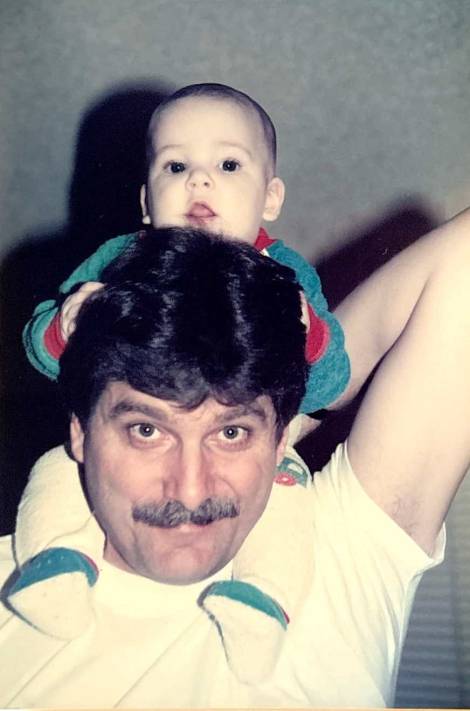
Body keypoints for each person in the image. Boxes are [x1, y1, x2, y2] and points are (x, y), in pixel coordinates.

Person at [2, 213, 470, 707]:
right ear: (80, 432)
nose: (189, 489)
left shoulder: (339, 565)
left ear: (280, 438)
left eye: (230, 433)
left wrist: (293, 368)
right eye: (147, 431)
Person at [14, 83, 350, 681]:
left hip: (269, 460)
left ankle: (263, 602)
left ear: (271, 197)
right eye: (176, 166)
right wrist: (65, 325)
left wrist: (309, 335)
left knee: (289, 498)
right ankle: (55, 563)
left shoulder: (285, 275)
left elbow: (330, 385)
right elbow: (41, 350)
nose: (200, 181)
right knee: (58, 470)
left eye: (228, 165)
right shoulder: (118, 260)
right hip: (91, 456)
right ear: (146, 200)